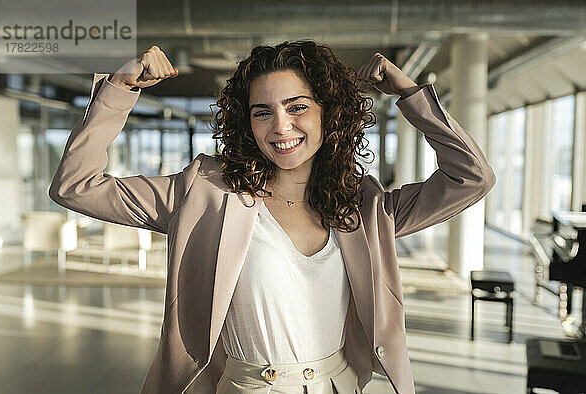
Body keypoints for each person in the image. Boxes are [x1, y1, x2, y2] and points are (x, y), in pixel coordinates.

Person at [49, 41, 496, 394]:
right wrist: (118, 90)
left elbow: (471, 177)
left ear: (329, 112)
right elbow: (76, 185)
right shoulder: (205, 193)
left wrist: (411, 95)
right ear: (247, 123)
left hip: (338, 385)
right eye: (263, 112)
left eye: (297, 107)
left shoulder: (361, 205)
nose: (280, 127)